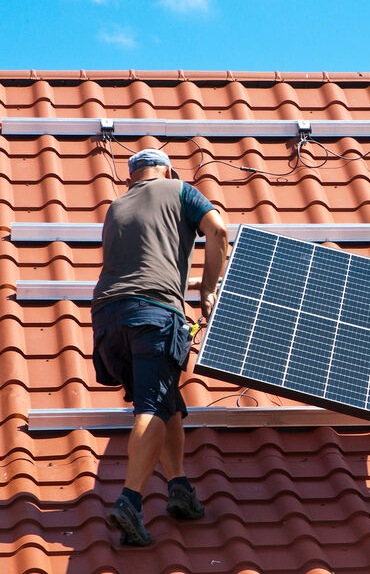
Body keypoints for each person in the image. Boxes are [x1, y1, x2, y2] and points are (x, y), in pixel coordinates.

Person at [91, 148, 228, 545]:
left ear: (131, 178)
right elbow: (218, 231)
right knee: (151, 406)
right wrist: (207, 288)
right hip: (152, 313)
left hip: (107, 321)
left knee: (166, 399)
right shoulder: (180, 189)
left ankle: (179, 487)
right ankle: (131, 501)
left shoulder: (117, 205)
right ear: (167, 170)